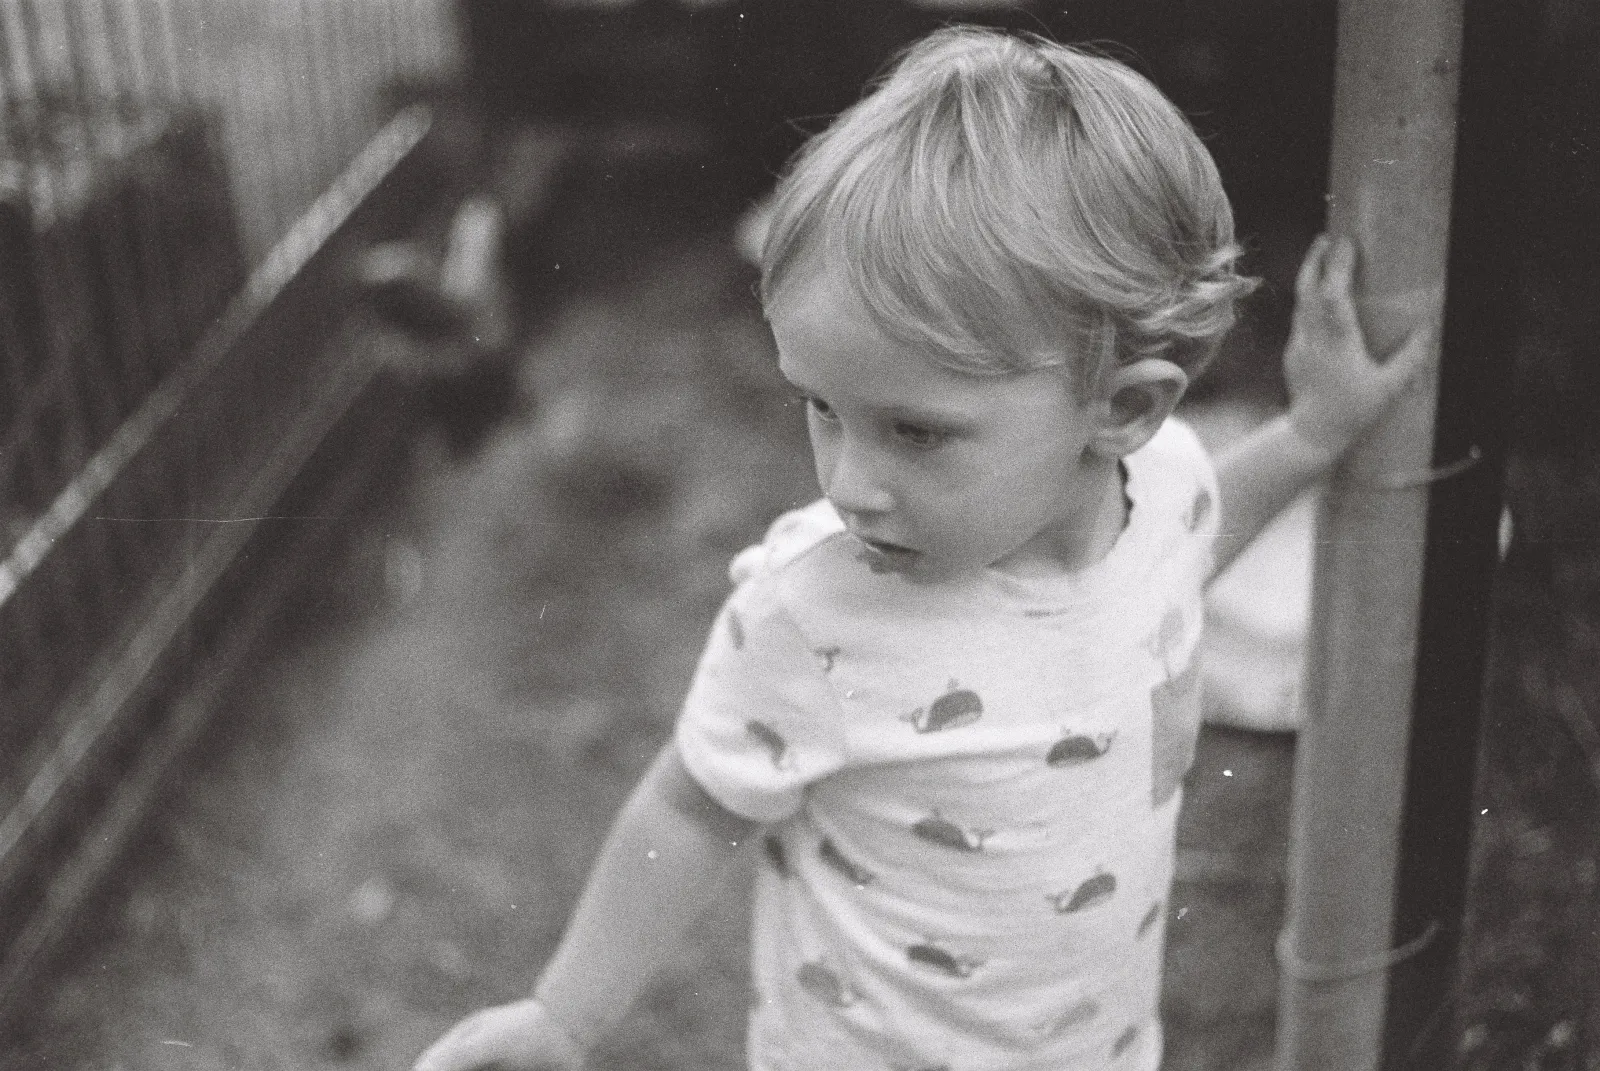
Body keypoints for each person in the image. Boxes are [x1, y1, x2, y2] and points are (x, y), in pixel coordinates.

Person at [412, 26, 1431, 1071]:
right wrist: (566, 1016)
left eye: (916, 431)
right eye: (820, 408)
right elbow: (691, 800)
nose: (847, 484)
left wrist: (1312, 435)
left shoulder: (1162, 490)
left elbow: (1205, 520)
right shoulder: (813, 617)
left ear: (1121, 413)